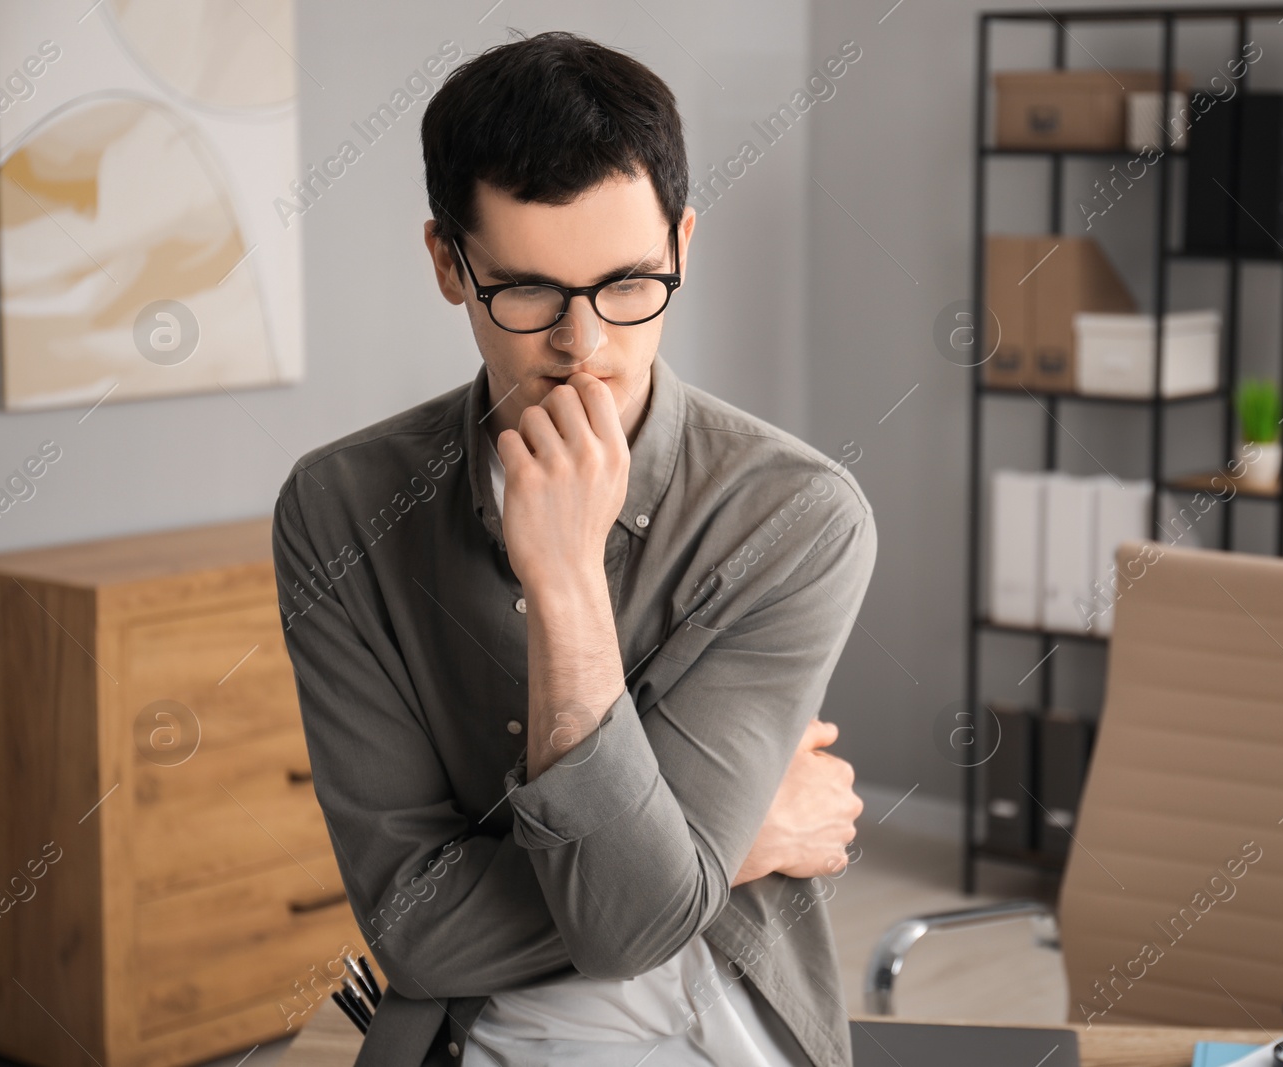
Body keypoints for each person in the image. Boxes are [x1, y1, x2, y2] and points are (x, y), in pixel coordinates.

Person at [271, 28, 877, 1067]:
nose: (584, 345)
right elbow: (416, 931)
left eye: (629, 284)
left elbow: (636, 928)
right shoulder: (340, 507)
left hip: (728, 1028)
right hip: (473, 1034)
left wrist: (566, 586)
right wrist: (732, 848)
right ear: (447, 265)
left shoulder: (797, 515)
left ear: (682, 244)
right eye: (530, 292)